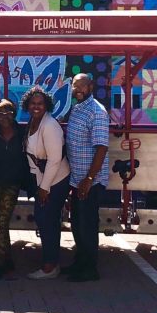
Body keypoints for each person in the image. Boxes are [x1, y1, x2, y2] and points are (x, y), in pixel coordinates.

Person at [63, 73, 109, 282]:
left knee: (87, 224)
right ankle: (79, 262)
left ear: (91, 86)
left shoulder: (97, 111)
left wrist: (89, 179)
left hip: (90, 181)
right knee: (77, 223)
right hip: (76, 178)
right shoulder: (77, 108)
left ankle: (90, 269)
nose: (78, 90)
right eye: (75, 86)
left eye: (82, 86)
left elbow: (101, 148)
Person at [23, 86, 70, 280]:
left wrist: (44, 188)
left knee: (47, 220)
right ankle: (50, 261)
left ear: (47, 105)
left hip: (55, 181)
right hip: (42, 179)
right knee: (44, 220)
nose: (36, 106)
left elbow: (55, 159)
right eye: (33, 103)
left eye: (40, 103)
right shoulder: (34, 122)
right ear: (27, 105)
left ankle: (50, 266)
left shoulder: (49, 125)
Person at [0, 98, 28, 282]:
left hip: (13, 182)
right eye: (0, 113)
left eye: (8, 112)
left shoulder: (22, 132)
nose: (4, 116)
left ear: (14, 113)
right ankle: (8, 258)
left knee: (2, 220)